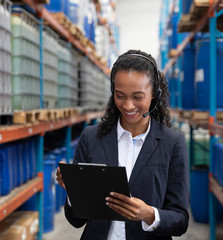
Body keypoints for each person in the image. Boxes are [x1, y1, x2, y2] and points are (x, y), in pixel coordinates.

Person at [56, 49, 189, 240]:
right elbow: (76, 221)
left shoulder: (172, 143)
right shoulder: (91, 137)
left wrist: (149, 214)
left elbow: (180, 220)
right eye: (120, 95)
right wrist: (74, 192)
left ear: (154, 94)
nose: (128, 105)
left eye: (137, 97)